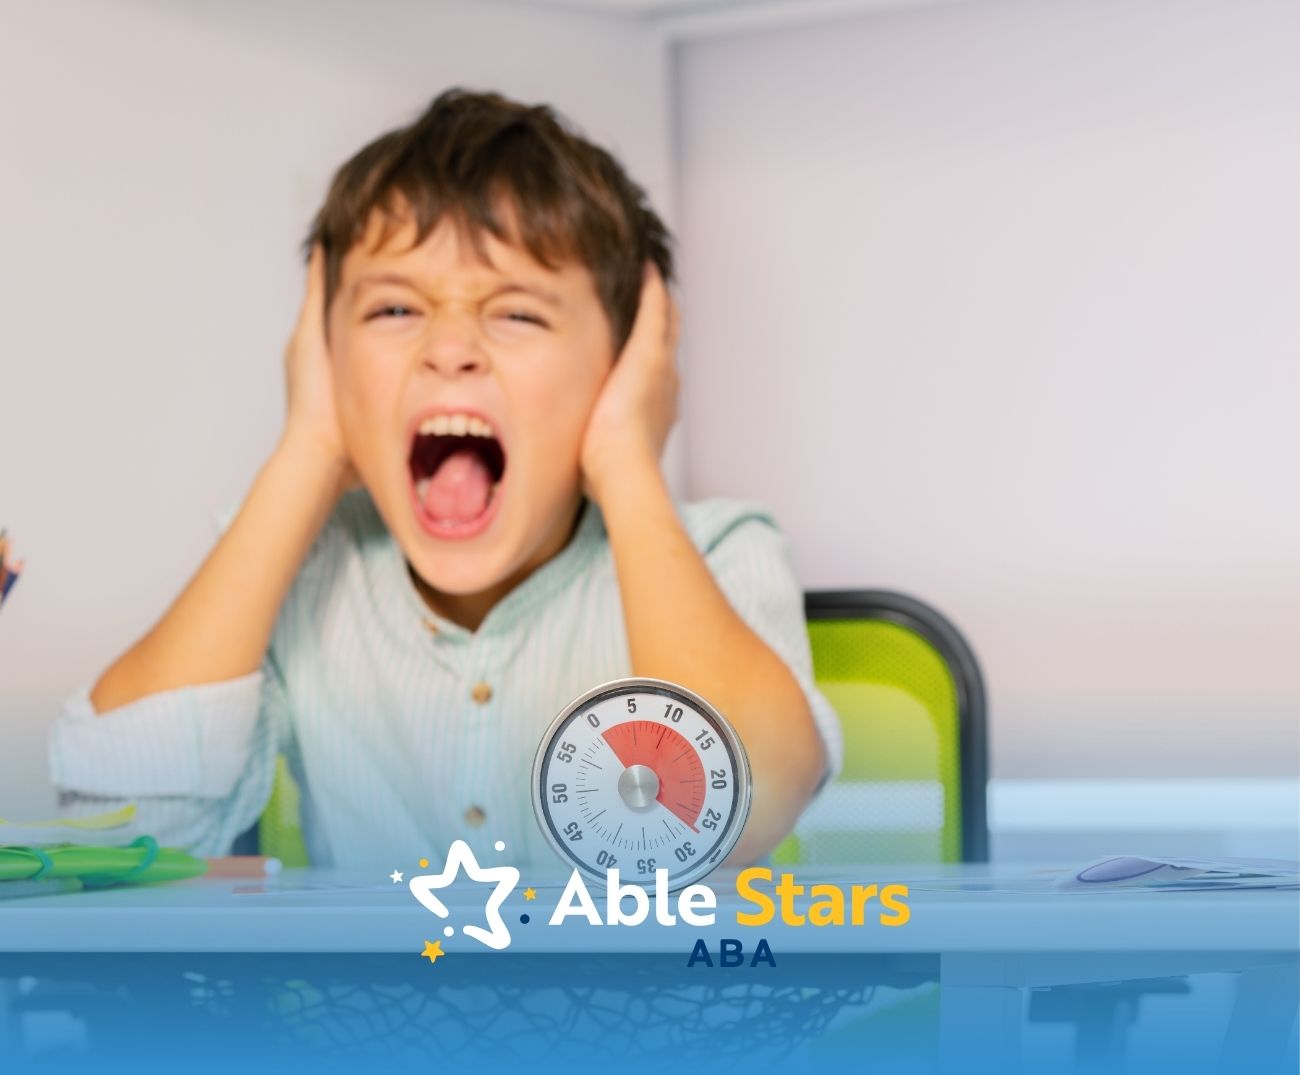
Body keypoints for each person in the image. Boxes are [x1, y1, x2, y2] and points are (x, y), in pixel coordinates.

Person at [49, 89, 842, 869]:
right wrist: (311, 449)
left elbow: (742, 805)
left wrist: (629, 461)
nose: (449, 348)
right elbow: (113, 832)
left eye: (518, 313)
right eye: (393, 311)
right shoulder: (302, 565)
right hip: (368, 1007)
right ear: (322, 355)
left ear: (628, 364)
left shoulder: (721, 550)